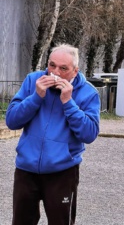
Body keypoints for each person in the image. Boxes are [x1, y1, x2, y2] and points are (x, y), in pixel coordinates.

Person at [6, 44, 100, 225]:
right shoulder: (33, 80)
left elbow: (89, 134)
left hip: (62, 171)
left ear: (75, 71)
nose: (55, 73)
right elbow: (12, 120)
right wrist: (36, 96)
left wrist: (68, 102)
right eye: (52, 65)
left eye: (63, 68)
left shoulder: (88, 92)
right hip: (26, 169)